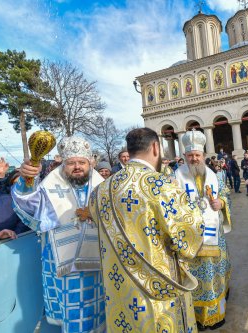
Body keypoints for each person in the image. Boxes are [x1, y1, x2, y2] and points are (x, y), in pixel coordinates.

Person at [89, 128, 204, 332]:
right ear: (155, 147)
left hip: (118, 287)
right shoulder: (161, 185)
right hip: (158, 288)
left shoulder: (100, 191)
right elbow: (190, 232)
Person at [12, 136, 105, 333]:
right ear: (63, 164)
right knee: (74, 314)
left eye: (82, 162)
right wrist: (27, 179)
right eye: (71, 163)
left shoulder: (102, 185)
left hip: (98, 261)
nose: (77, 167)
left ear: (90, 163)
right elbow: (27, 203)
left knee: (101, 309)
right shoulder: (49, 186)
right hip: (64, 264)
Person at [174, 130, 232, 330]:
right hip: (191, 237)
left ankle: (216, 314)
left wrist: (221, 202)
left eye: (197, 155)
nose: (194, 158)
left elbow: (225, 193)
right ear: (184, 157)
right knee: (195, 278)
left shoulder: (214, 175)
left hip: (215, 235)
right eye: (190, 155)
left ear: (203, 156)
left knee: (214, 273)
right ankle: (195, 317)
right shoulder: (176, 176)